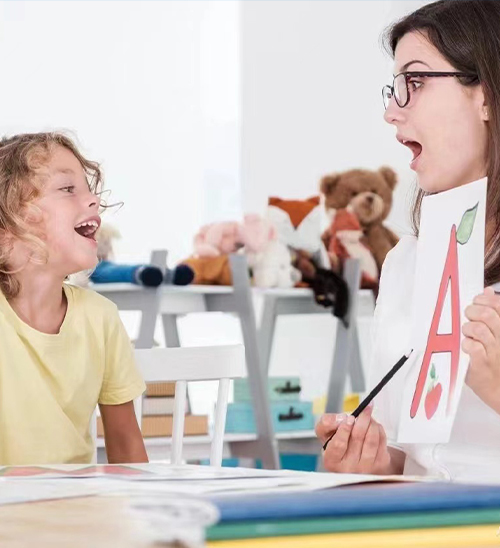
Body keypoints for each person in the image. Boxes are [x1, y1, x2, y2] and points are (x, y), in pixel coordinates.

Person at [316, 0, 500, 482]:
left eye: (414, 84)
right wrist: (371, 463)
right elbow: (409, 454)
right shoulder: (405, 261)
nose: (390, 112)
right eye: (395, 87)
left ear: (487, 95)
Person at [0, 132, 148, 465]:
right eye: (68, 189)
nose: (93, 200)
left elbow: (126, 447)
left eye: (88, 188)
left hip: (77, 507)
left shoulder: (100, 318)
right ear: (5, 228)